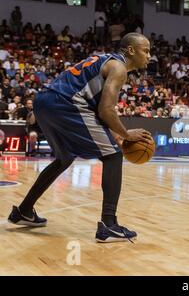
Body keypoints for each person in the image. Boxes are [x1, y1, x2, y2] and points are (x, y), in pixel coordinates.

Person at [7, 33, 153, 243]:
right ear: (130, 50)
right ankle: (109, 225)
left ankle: (24, 211)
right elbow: (106, 110)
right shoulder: (119, 68)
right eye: (146, 51)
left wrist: (115, 136)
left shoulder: (105, 61)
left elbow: (96, 111)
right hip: (66, 105)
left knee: (64, 159)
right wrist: (126, 134)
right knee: (113, 156)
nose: (149, 56)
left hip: (45, 102)